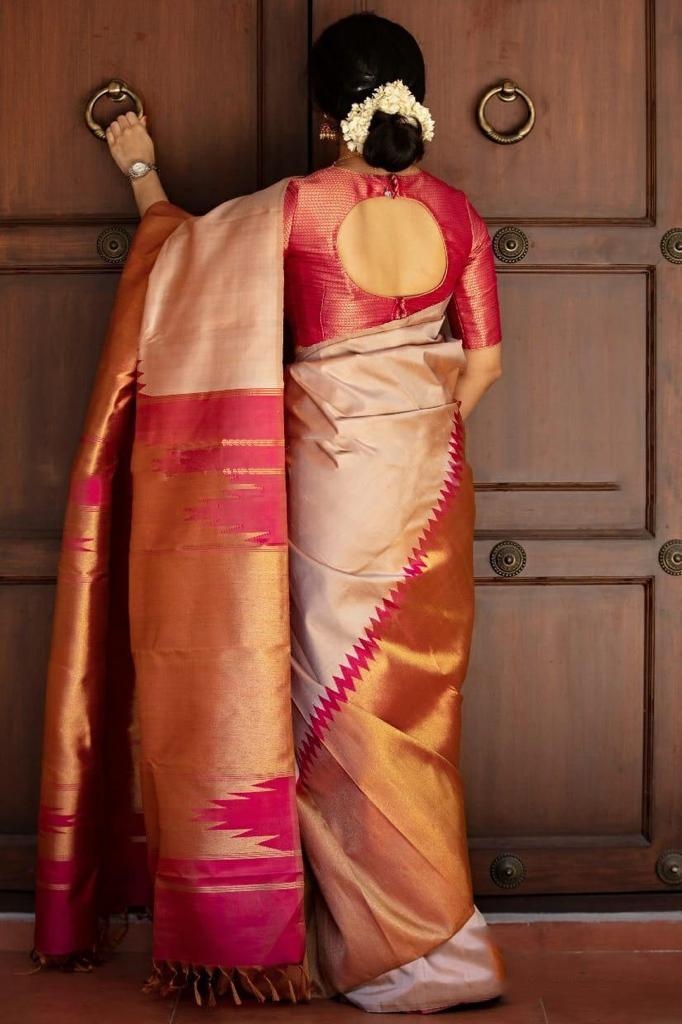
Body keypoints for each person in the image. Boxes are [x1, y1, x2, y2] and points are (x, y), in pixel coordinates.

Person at [32, 11, 506, 1014]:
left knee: (331, 706)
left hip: (334, 483)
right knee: (411, 707)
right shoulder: (459, 214)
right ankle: (435, 941)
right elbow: (484, 366)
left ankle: (401, 952)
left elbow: (180, 263)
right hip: (429, 486)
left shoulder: (295, 208)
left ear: (323, 113)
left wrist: (141, 172)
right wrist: (411, 429)